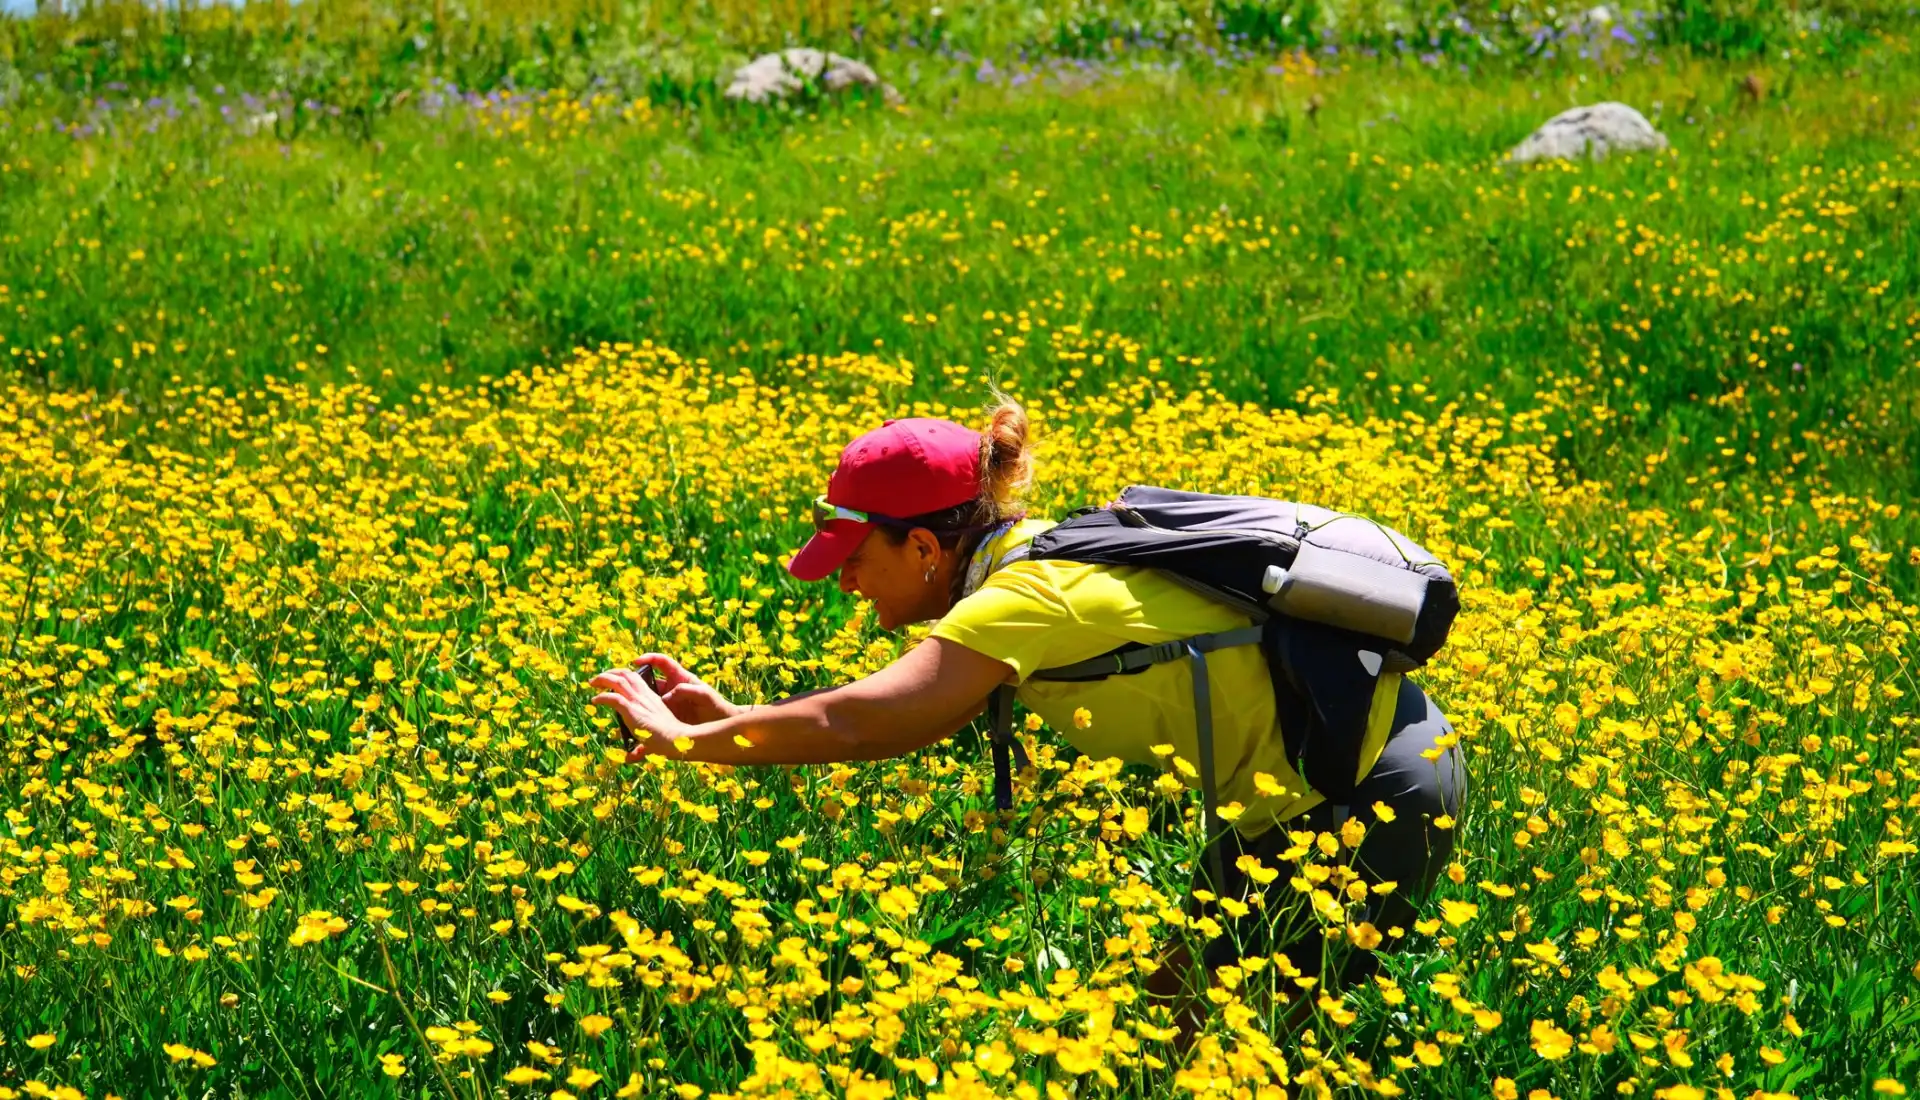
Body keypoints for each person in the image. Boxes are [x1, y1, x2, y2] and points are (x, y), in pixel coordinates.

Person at [588, 396, 1465, 1035]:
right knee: (1179, 1029)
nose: (845, 582)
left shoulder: (1023, 597)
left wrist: (695, 743)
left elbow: (867, 723)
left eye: (854, 559)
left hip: (1359, 795)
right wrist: (737, 713)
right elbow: (908, 710)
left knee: (1215, 1045)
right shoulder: (1029, 558)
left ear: (926, 548)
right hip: (1355, 766)